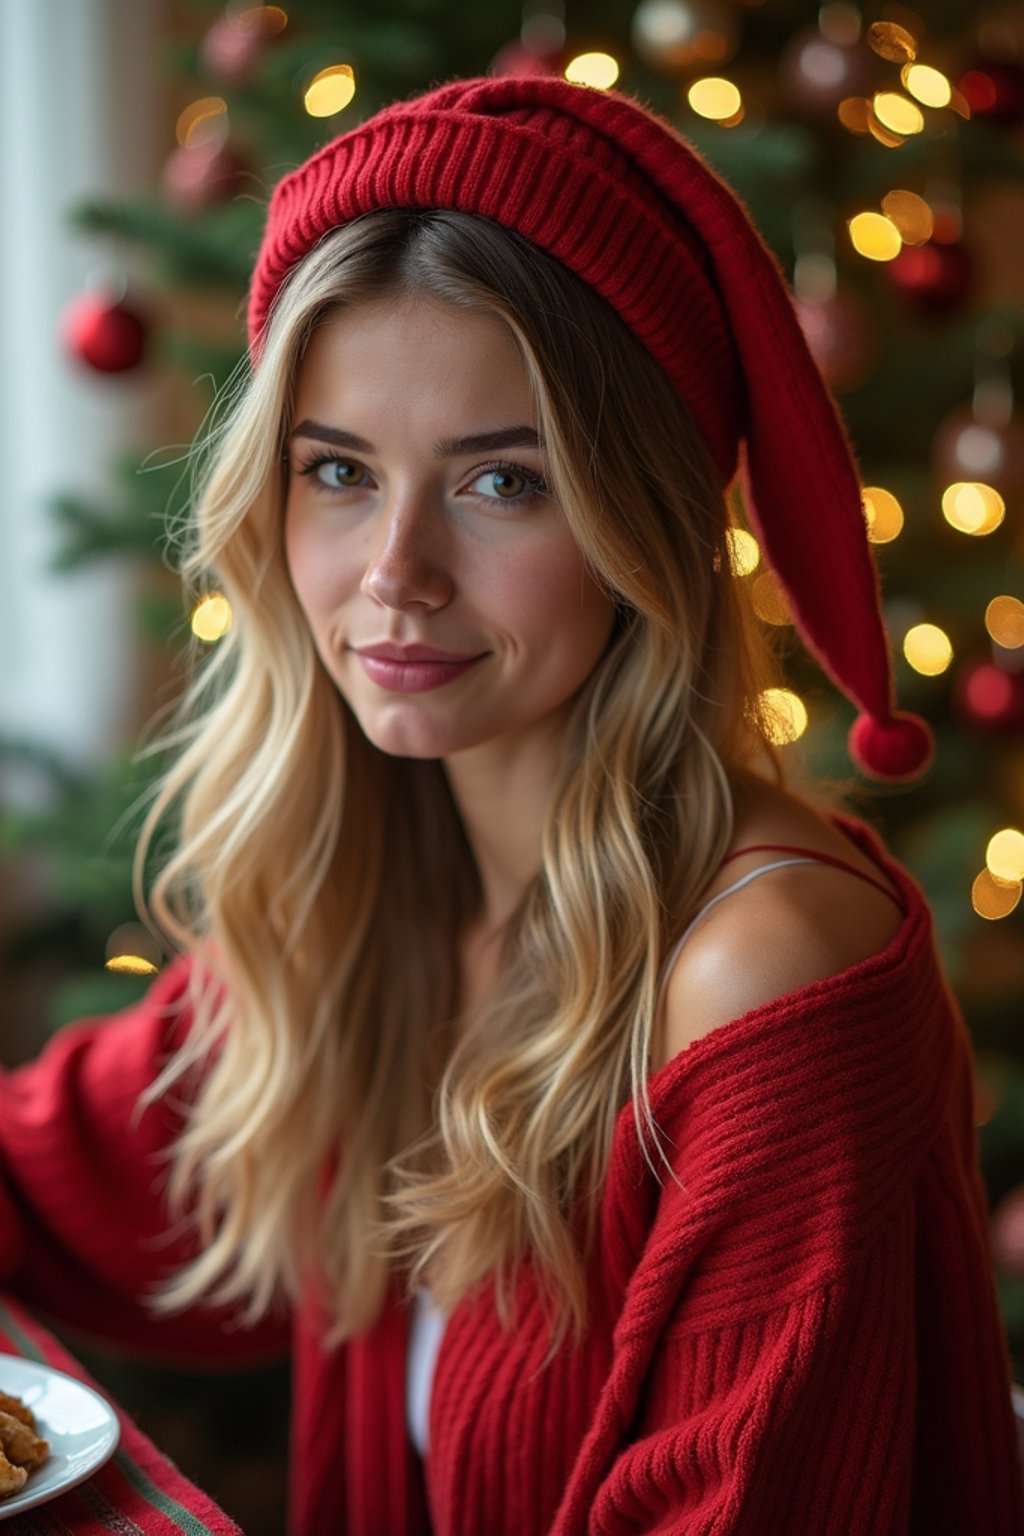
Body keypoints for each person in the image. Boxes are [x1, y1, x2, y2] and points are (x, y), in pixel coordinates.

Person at [1, 74, 1021, 1536]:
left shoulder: (768, 982)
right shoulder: (387, 888)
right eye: (339, 473)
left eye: (502, 484)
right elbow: (46, 1178)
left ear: (640, 523)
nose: (395, 572)